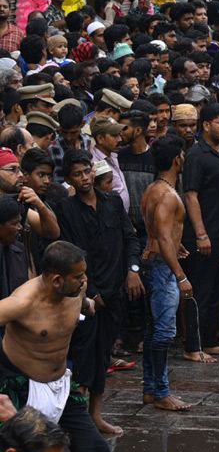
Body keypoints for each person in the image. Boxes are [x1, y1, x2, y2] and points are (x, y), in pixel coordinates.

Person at [0, 241, 137, 452]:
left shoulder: (75, 290)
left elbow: (82, 304)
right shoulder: (23, 301)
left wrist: (87, 303)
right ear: (56, 280)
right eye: (78, 277)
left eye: (84, 276)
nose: (84, 281)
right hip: (21, 384)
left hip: (62, 385)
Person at [55, 149, 142, 436]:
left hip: (116, 290)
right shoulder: (66, 210)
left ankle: (96, 416)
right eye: (77, 175)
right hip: (84, 295)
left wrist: (133, 270)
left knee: (104, 353)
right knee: (82, 355)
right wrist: (90, 292)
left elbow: (130, 237)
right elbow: (72, 253)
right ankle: (77, 420)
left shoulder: (112, 201)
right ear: (69, 179)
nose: (84, 178)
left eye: (87, 171)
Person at [139, 134, 193, 411]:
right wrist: (180, 275)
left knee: (153, 330)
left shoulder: (153, 190)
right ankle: (161, 392)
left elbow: (163, 234)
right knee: (163, 332)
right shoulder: (167, 195)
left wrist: (176, 245)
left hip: (155, 261)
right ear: (177, 159)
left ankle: (151, 389)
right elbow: (162, 236)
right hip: (160, 267)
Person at [181, 103, 219, 359]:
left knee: (218, 289)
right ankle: (194, 347)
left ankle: (211, 340)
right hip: (204, 235)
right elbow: (191, 196)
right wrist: (201, 234)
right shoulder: (196, 155)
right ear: (206, 125)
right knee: (201, 292)